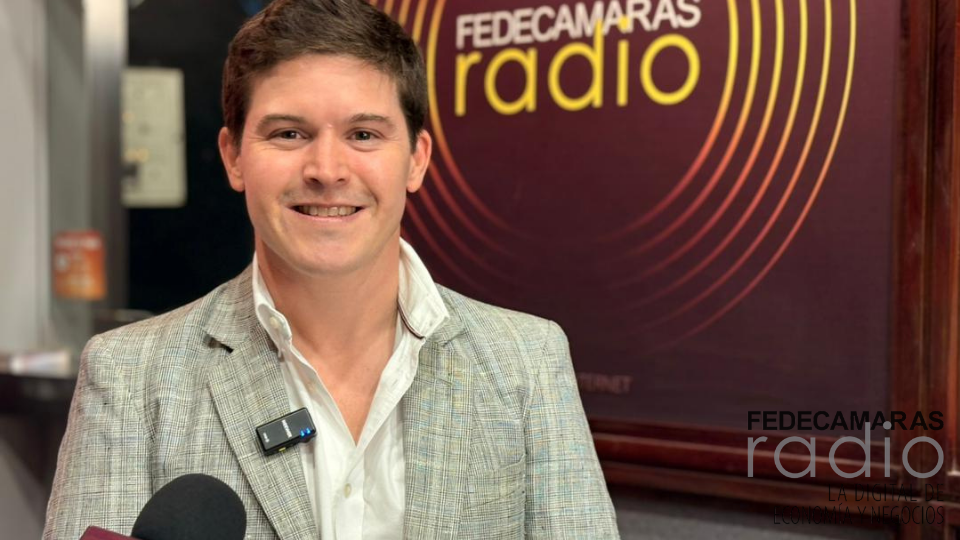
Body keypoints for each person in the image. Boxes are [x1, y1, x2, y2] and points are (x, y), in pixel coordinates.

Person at [42, 0, 618, 538]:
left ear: (416, 159)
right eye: (288, 134)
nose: (326, 169)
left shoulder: (526, 362)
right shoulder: (131, 377)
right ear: (233, 157)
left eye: (363, 134)